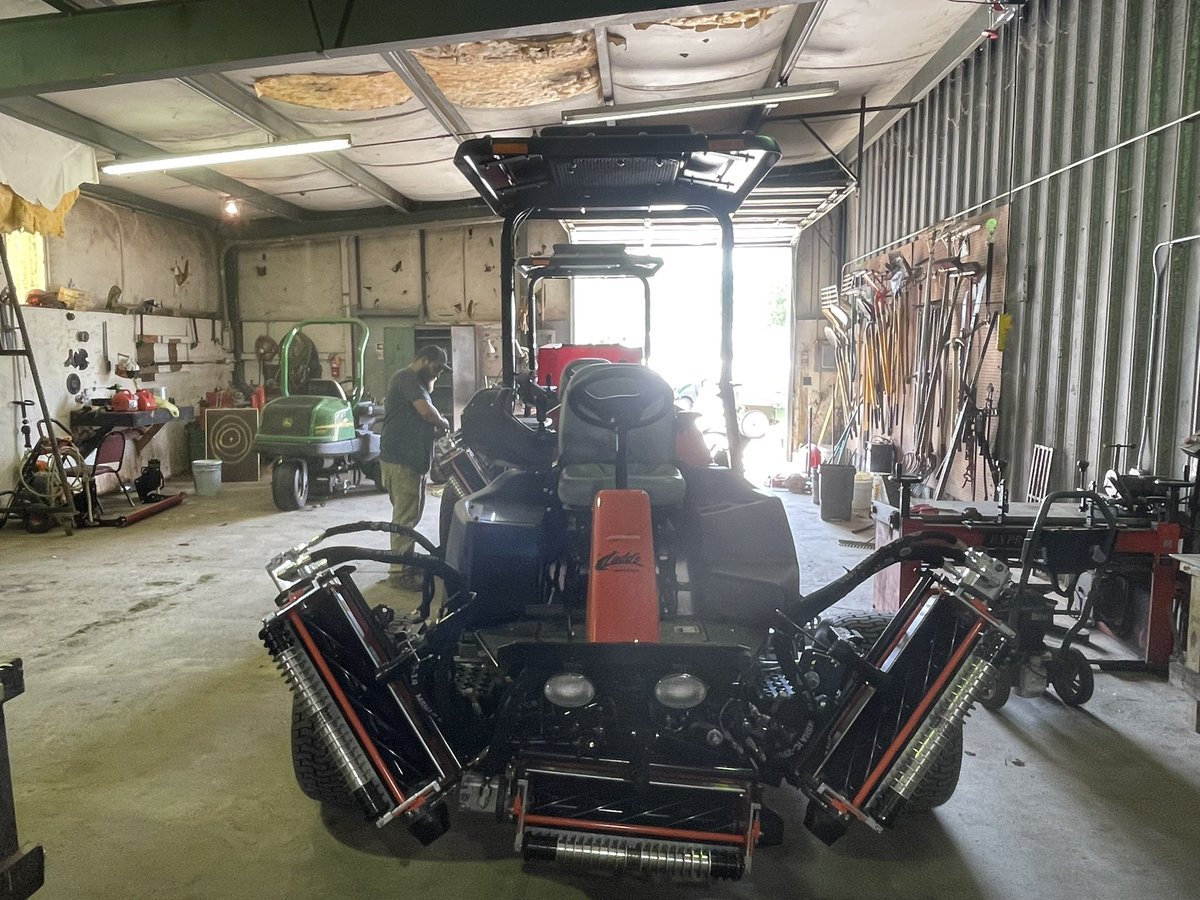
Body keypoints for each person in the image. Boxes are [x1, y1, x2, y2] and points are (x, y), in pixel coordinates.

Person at [379, 344, 452, 590]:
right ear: (423, 360)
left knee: (411, 515)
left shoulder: (418, 385)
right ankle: (399, 572)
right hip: (401, 460)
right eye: (436, 368)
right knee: (404, 518)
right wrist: (442, 421)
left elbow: (416, 423)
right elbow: (425, 412)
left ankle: (405, 562)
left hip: (412, 460)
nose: (438, 374)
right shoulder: (406, 378)